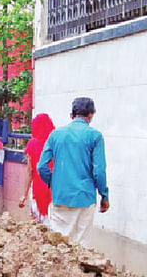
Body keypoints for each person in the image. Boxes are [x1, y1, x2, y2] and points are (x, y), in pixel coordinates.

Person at [37, 97, 109, 247]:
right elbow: (99, 171)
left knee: (59, 245)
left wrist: (54, 182)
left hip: (61, 196)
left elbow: (41, 166)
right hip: (85, 197)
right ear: (91, 115)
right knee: (82, 245)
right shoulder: (95, 136)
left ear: (72, 115)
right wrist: (104, 195)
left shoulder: (55, 134)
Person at [19, 113, 56, 223]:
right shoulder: (55, 142)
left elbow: (30, 170)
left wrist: (24, 194)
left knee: (38, 223)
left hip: (38, 187)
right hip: (54, 187)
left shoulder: (32, 144)